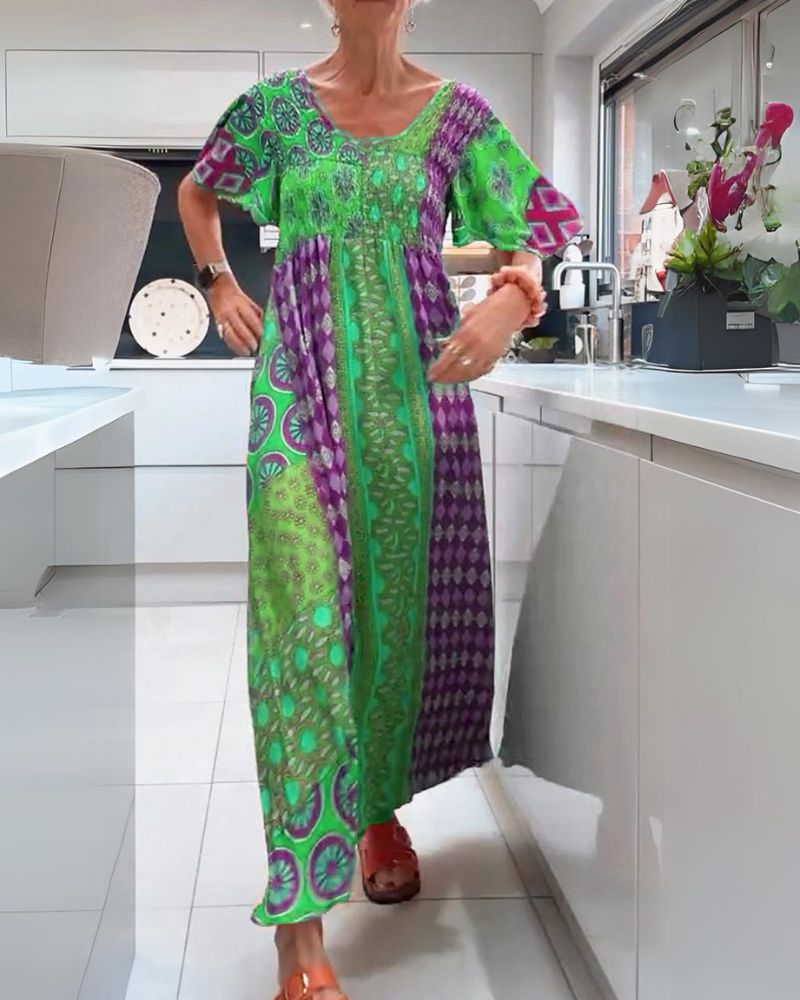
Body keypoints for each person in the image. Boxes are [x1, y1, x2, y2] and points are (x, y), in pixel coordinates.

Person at [178, 2, 581, 997]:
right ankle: (298, 925)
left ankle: (374, 813)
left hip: (410, 399)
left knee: (393, 619)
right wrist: (218, 280)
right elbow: (198, 188)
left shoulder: (457, 117)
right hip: (297, 395)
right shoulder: (277, 109)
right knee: (301, 627)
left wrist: (510, 297)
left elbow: (533, 227)